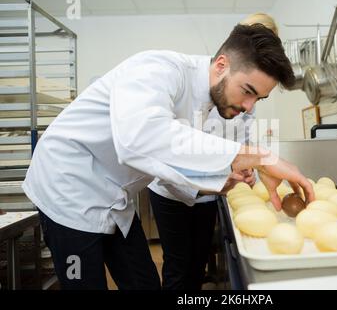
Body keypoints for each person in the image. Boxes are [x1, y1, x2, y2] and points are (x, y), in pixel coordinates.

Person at [22, 23, 314, 290]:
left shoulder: (207, 103)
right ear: (222, 65)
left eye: (258, 99)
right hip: (68, 186)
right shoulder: (158, 69)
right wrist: (259, 157)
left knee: (144, 282)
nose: (250, 107)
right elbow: (141, 136)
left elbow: (166, 159)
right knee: (85, 283)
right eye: (248, 91)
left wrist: (211, 182)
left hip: (113, 195)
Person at [148, 13, 279, 290]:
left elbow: (240, 139)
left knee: (197, 261)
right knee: (178, 262)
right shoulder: (205, 81)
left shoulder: (247, 97)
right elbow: (177, 146)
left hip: (212, 192)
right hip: (169, 190)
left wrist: (243, 166)